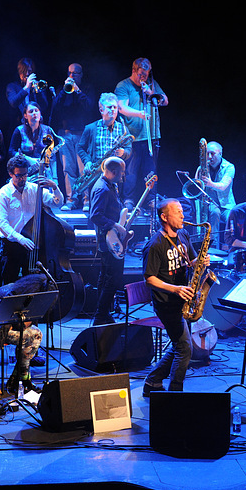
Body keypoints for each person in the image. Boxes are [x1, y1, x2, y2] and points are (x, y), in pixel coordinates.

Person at [142, 199, 208, 396]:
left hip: (184, 300)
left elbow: (190, 262)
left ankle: (152, 381)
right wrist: (176, 289)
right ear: (164, 217)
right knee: (185, 349)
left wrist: (200, 261)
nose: (183, 216)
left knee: (180, 345)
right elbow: (149, 278)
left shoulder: (183, 234)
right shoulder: (155, 244)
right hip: (167, 303)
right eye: (178, 212)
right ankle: (175, 394)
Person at [0, 274, 52, 394]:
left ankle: (19, 379)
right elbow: (18, 324)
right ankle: (21, 379)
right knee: (34, 336)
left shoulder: (19, 290)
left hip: (0, 326)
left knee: (34, 335)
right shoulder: (12, 294)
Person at [0, 153, 64, 285]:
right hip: (12, 245)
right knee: (10, 283)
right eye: (19, 175)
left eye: (25, 175)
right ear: (10, 174)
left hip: (33, 244)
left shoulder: (34, 189)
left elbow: (57, 203)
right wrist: (20, 238)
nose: (23, 179)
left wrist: (54, 187)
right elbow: (2, 224)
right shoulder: (3, 194)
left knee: (33, 284)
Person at [115, 58, 168, 210]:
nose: (144, 78)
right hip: (133, 137)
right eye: (141, 74)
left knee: (151, 170)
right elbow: (122, 108)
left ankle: (151, 199)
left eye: (146, 74)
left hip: (151, 136)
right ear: (134, 71)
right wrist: (140, 114)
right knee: (130, 171)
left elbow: (165, 101)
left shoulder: (151, 84)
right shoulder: (124, 86)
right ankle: (129, 200)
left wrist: (152, 93)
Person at [50, 63, 98, 206]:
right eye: (69, 73)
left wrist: (78, 92)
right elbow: (55, 108)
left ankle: (86, 200)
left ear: (81, 74)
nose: (72, 76)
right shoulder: (62, 89)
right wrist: (64, 92)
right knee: (68, 168)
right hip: (65, 134)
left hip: (82, 134)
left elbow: (89, 107)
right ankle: (71, 199)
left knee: (84, 169)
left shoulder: (88, 89)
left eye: (75, 73)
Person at [76, 93, 133, 212]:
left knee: (113, 209)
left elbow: (129, 150)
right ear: (101, 109)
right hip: (97, 173)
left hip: (115, 174)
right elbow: (80, 147)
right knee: (96, 208)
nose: (113, 110)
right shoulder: (91, 128)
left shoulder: (122, 128)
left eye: (115, 107)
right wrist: (87, 162)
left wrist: (123, 152)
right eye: (109, 107)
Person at [88, 157, 128, 326]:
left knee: (106, 278)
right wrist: (116, 226)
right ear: (112, 172)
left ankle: (103, 313)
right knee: (112, 279)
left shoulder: (110, 185)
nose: (123, 175)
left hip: (110, 238)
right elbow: (95, 216)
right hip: (108, 241)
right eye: (121, 172)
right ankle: (100, 315)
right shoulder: (102, 189)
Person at [192, 141, 237, 250]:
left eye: (213, 154)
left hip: (227, 204)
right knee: (214, 213)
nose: (209, 157)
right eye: (207, 154)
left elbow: (223, 186)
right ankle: (213, 247)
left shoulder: (229, 167)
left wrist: (210, 183)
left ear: (220, 154)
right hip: (211, 203)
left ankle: (232, 246)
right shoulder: (202, 167)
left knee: (232, 218)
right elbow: (197, 187)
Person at [9, 101, 64, 188]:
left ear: (40, 113)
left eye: (36, 111)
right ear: (25, 115)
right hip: (26, 173)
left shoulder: (48, 130)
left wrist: (55, 179)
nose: (34, 113)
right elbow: (11, 151)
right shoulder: (19, 130)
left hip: (45, 172)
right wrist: (28, 159)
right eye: (31, 111)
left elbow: (52, 157)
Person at [5, 57, 53, 136]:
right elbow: (13, 103)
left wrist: (38, 92)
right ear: (19, 72)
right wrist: (26, 88)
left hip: (37, 128)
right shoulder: (12, 86)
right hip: (18, 128)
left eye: (29, 71)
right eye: (24, 71)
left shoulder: (38, 86)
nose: (27, 74)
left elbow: (44, 106)